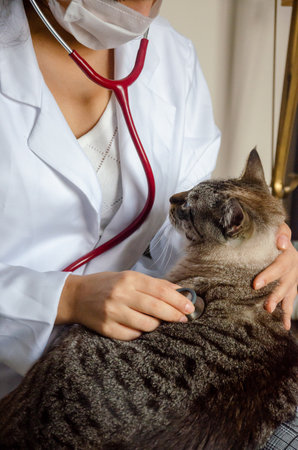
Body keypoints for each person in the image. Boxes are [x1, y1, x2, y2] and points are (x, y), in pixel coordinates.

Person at [0, 0, 297, 409]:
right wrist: (66, 298)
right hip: (17, 381)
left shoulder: (170, 55)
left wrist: (260, 253)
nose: (140, 8)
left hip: (148, 368)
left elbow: (180, 226)